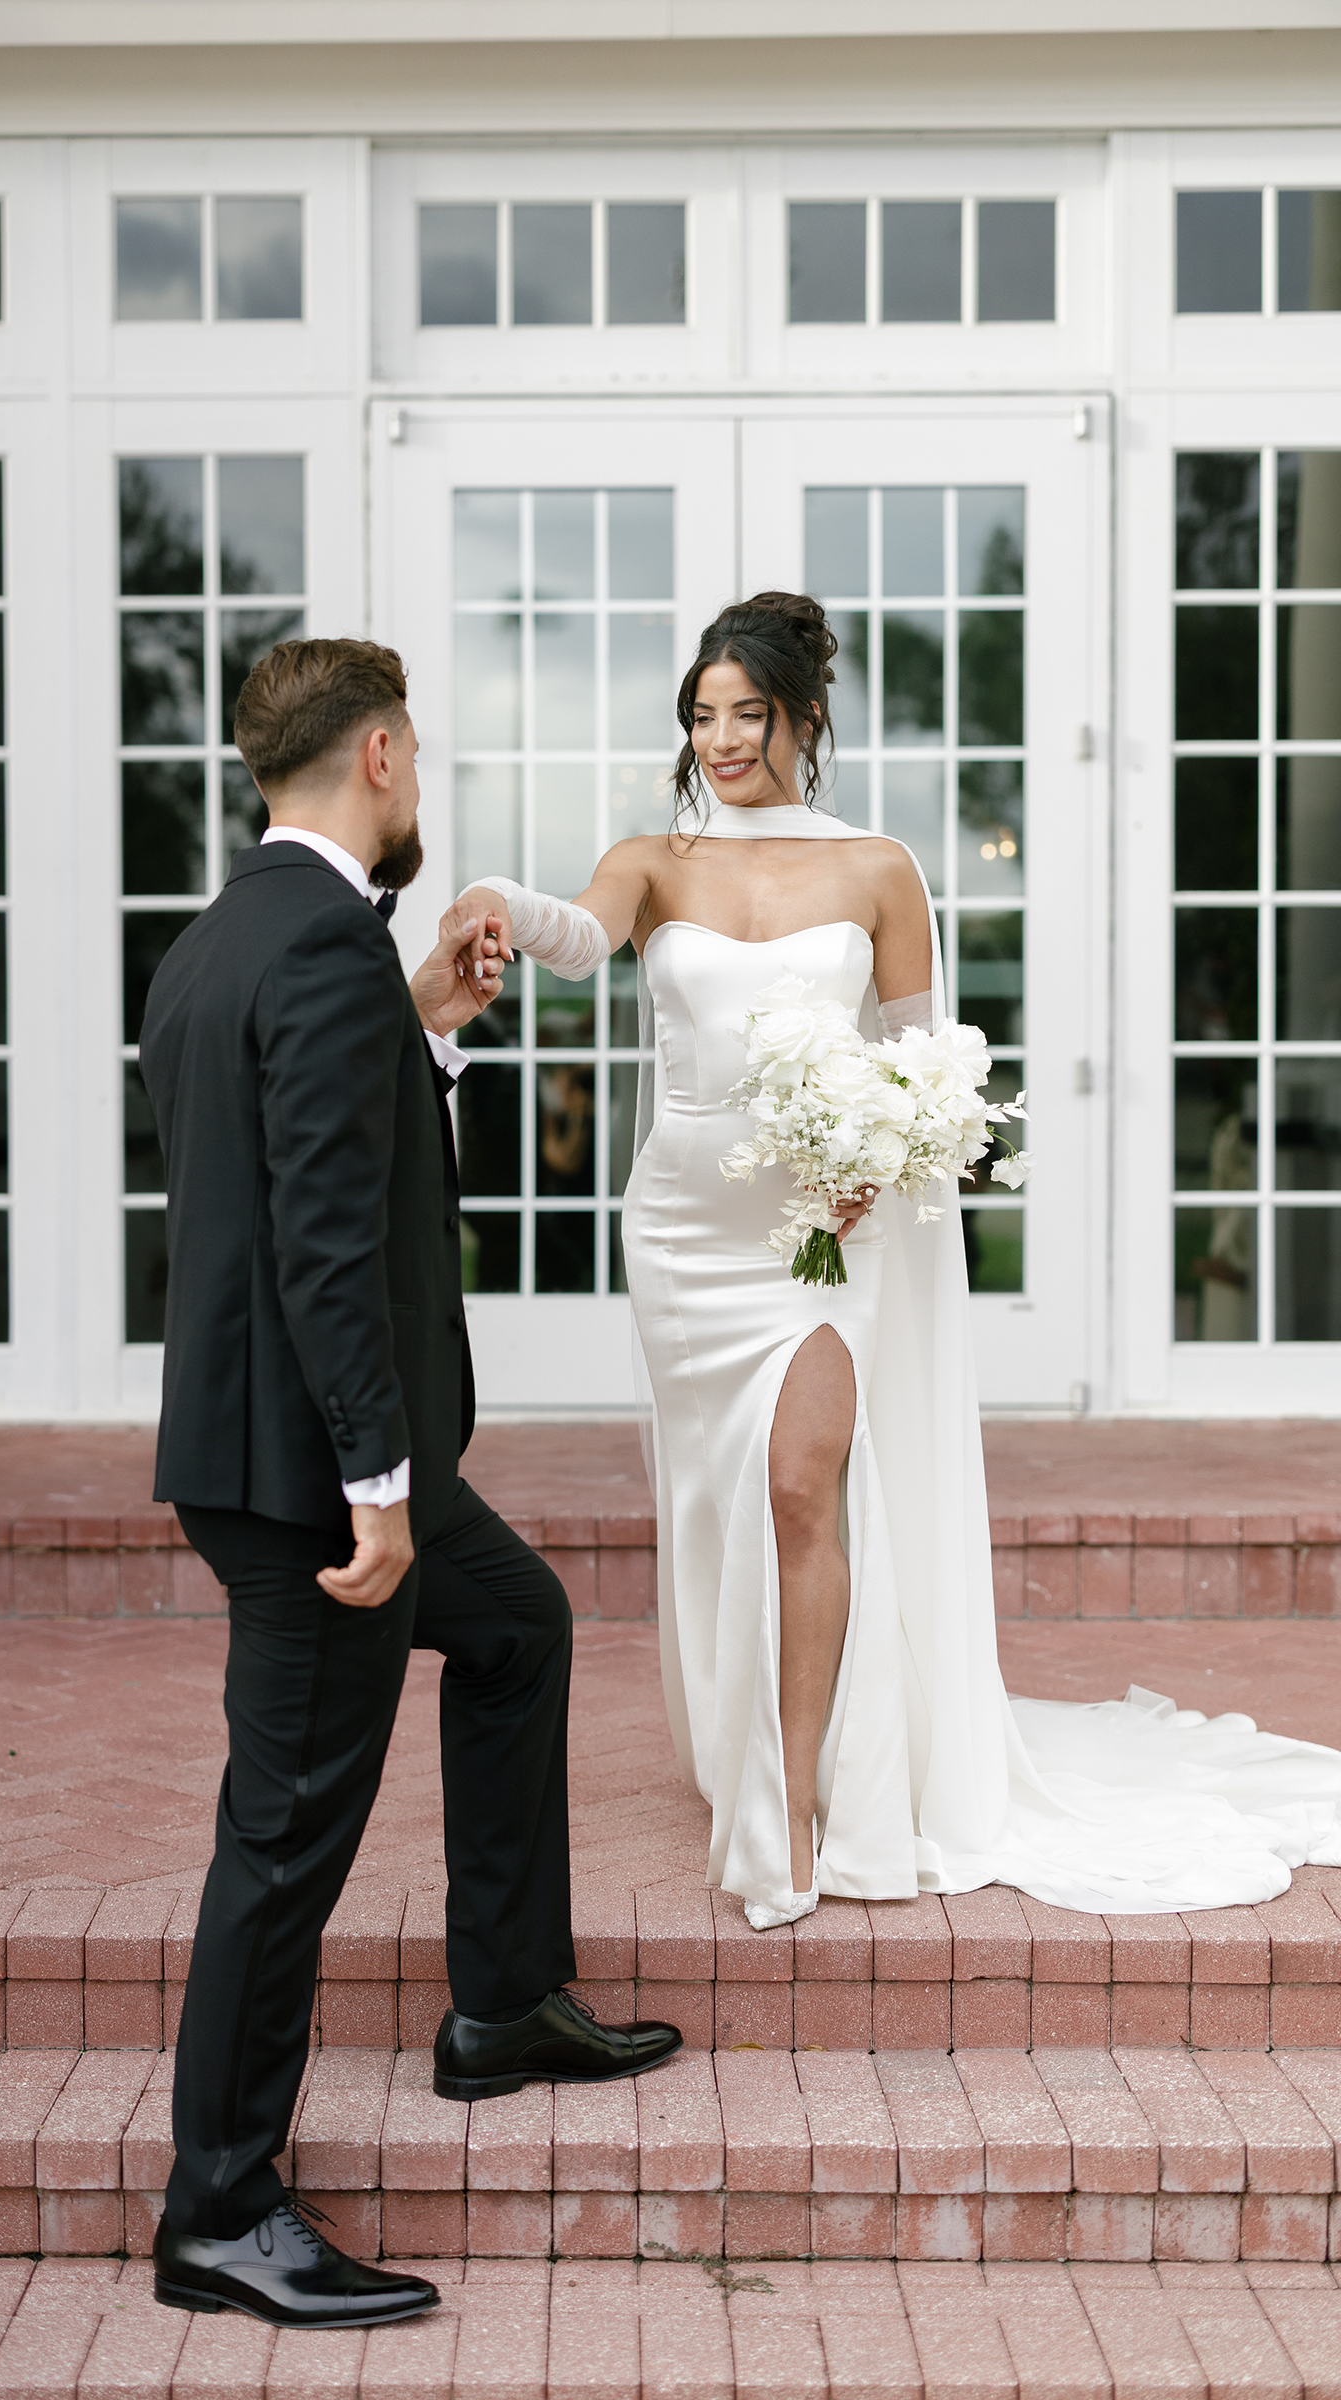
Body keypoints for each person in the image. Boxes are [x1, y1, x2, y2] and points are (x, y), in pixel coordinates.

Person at [453, 589, 1341, 1931]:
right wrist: (499, 902)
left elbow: (932, 1067)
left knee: (807, 1487)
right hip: (686, 1234)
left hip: (824, 1231)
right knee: (719, 1503)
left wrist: (891, 1154)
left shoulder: (878, 869)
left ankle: (803, 1803)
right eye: (705, 714)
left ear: (806, 718)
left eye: (749, 712)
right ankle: (745, 1738)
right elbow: (579, 936)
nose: (725, 736)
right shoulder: (658, 859)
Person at [139, 636, 680, 2332]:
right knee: (284, 1841)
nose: (422, 789)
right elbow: (318, 1244)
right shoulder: (313, 944)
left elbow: (323, 1154)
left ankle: (503, 2005)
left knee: (517, 1623)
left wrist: (429, 1028)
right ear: (378, 753)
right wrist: (380, 1485)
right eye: (422, 760)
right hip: (319, 1487)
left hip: (317, 1459)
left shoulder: (243, 939)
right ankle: (220, 2212)